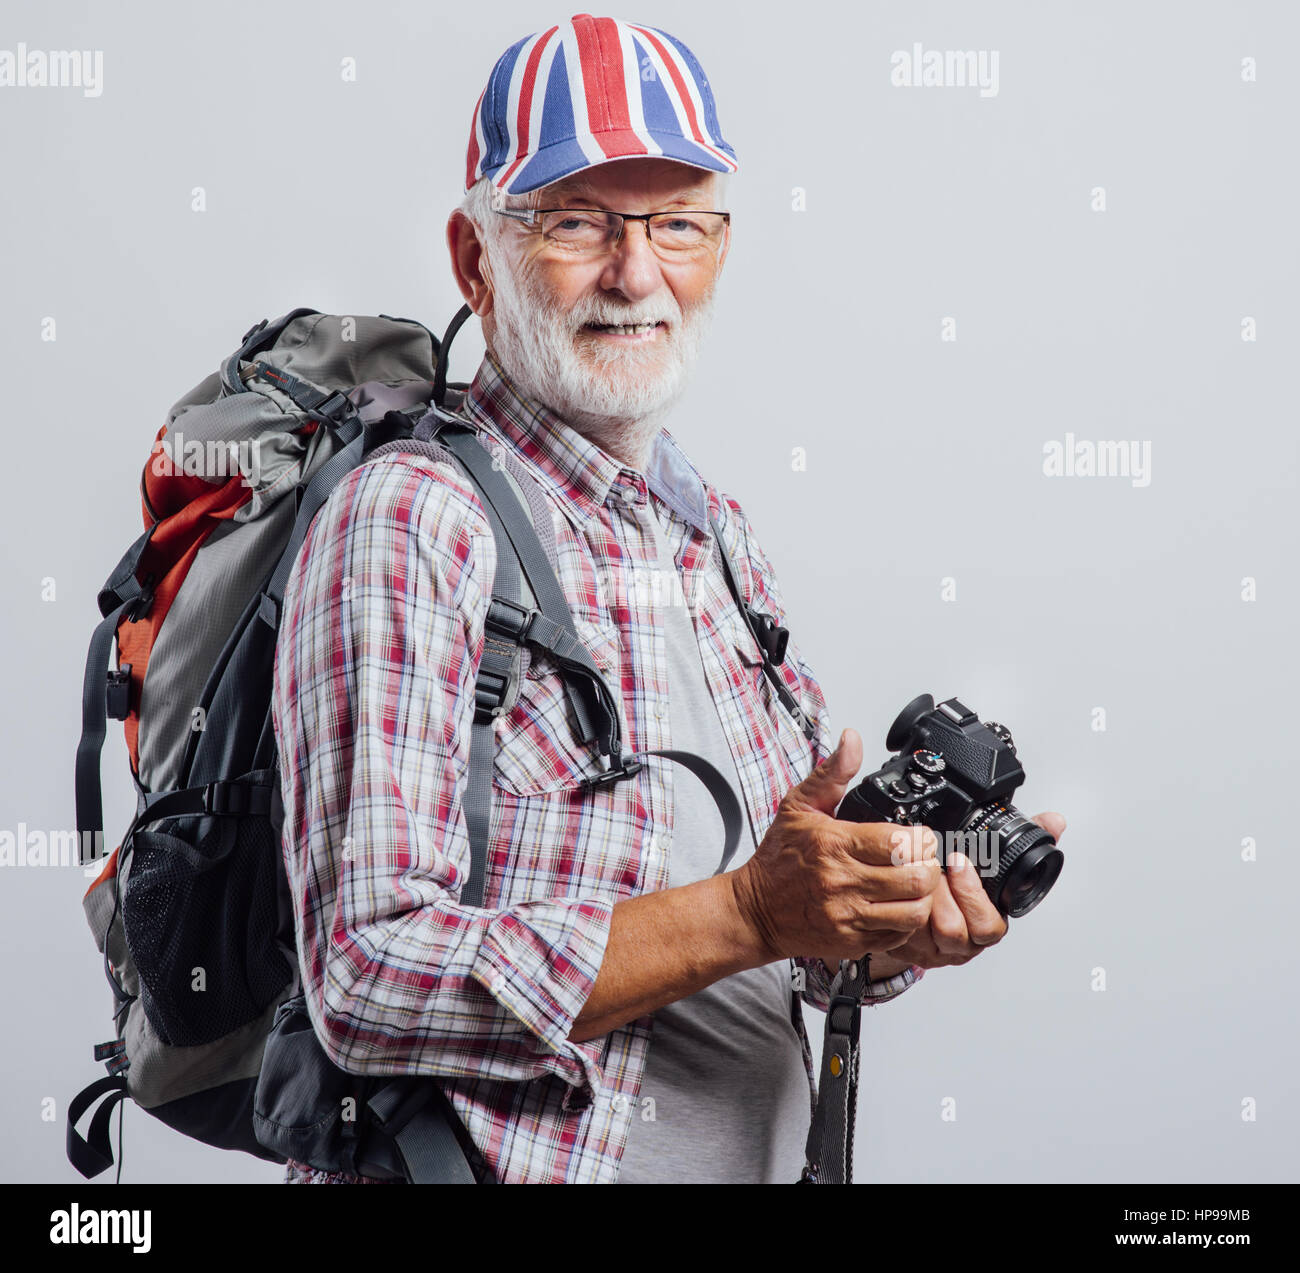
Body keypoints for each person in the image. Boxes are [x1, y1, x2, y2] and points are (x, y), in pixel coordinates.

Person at [270, 14, 1066, 1185]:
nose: (635, 273)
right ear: (473, 258)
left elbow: (782, 940)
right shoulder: (413, 520)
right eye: (577, 220)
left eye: (675, 223)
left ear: (721, 245)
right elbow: (366, 976)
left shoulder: (711, 532)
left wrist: (883, 912)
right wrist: (747, 910)